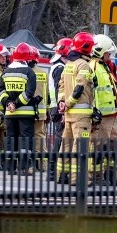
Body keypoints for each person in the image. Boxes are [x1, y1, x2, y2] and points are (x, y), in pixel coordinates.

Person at [56, 31, 95, 186]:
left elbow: (61, 86)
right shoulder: (84, 65)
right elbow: (79, 87)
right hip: (81, 114)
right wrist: (70, 102)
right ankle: (77, 179)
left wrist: (62, 103)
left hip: (69, 113)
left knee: (65, 145)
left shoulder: (69, 65)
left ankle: (60, 176)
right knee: (79, 148)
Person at [0, 42, 37, 176]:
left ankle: (10, 167)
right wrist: (17, 103)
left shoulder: (5, 72)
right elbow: (29, 92)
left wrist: (8, 103)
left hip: (10, 113)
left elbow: (0, 90)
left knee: (10, 139)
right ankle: (24, 168)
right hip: (25, 113)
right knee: (25, 139)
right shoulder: (29, 72)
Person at [90, 34, 117, 187]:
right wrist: (94, 111)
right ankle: (96, 177)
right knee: (99, 145)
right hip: (101, 116)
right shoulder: (94, 67)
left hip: (112, 114)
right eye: (108, 53)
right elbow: (91, 91)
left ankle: (110, 175)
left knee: (112, 145)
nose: (110, 56)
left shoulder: (105, 67)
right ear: (100, 52)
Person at [46, 37, 72, 181]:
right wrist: (62, 111)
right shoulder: (60, 68)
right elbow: (58, 90)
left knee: (60, 139)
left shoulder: (56, 66)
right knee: (60, 140)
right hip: (58, 109)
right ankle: (53, 171)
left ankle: (53, 172)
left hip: (55, 107)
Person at [27, 46, 48, 173]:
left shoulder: (25, 72)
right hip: (41, 112)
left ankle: (30, 165)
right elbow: (47, 94)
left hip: (27, 111)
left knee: (27, 137)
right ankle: (42, 164)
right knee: (40, 137)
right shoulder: (43, 72)